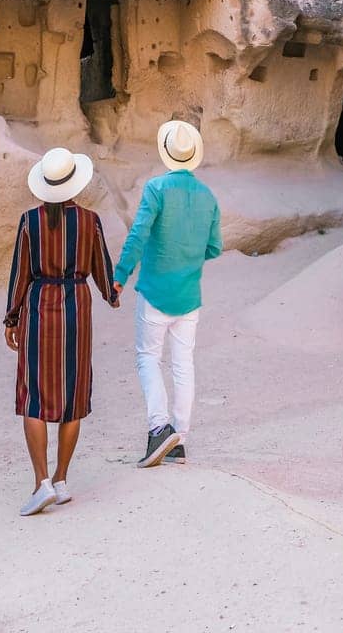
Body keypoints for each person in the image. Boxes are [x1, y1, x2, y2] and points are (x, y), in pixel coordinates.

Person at [4, 146, 119, 516]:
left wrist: (12, 317)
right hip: (76, 308)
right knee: (72, 395)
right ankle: (62, 479)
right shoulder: (90, 221)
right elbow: (102, 268)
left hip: (40, 307)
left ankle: (41, 484)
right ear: (75, 183)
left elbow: (21, 272)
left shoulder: (30, 221)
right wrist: (110, 294)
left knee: (33, 394)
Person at [113, 119, 222, 467]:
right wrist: (189, 258)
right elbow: (215, 247)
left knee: (148, 357)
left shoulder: (156, 189)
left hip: (155, 291)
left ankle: (159, 428)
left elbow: (138, 235)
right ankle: (180, 441)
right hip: (189, 295)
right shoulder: (208, 197)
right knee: (182, 364)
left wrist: (120, 275)